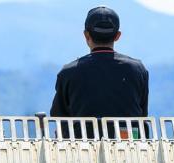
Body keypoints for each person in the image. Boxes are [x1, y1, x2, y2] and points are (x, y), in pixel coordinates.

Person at [50, 6, 149, 139]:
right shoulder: (138, 70)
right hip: (129, 150)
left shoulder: (68, 72)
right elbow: (142, 115)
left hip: (81, 151)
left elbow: (59, 119)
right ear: (117, 36)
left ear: (86, 35)